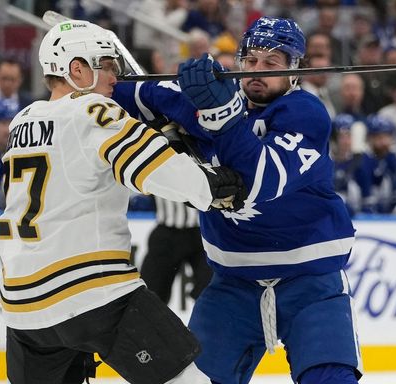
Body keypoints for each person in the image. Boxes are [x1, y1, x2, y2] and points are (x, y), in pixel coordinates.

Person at [113, 16, 361, 384]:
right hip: (233, 285)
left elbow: (258, 181)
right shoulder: (208, 102)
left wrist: (222, 116)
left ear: (295, 71)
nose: (256, 72)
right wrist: (98, 73)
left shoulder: (305, 114)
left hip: (311, 282)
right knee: (195, 381)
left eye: (271, 64)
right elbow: (129, 93)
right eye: (251, 61)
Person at [0, 20, 246, 384]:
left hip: (22, 307)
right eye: (107, 66)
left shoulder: (23, 120)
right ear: (76, 69)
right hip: (91, 292)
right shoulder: (94, 111)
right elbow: (161, 172)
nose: (115, 77)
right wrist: (212, 186)